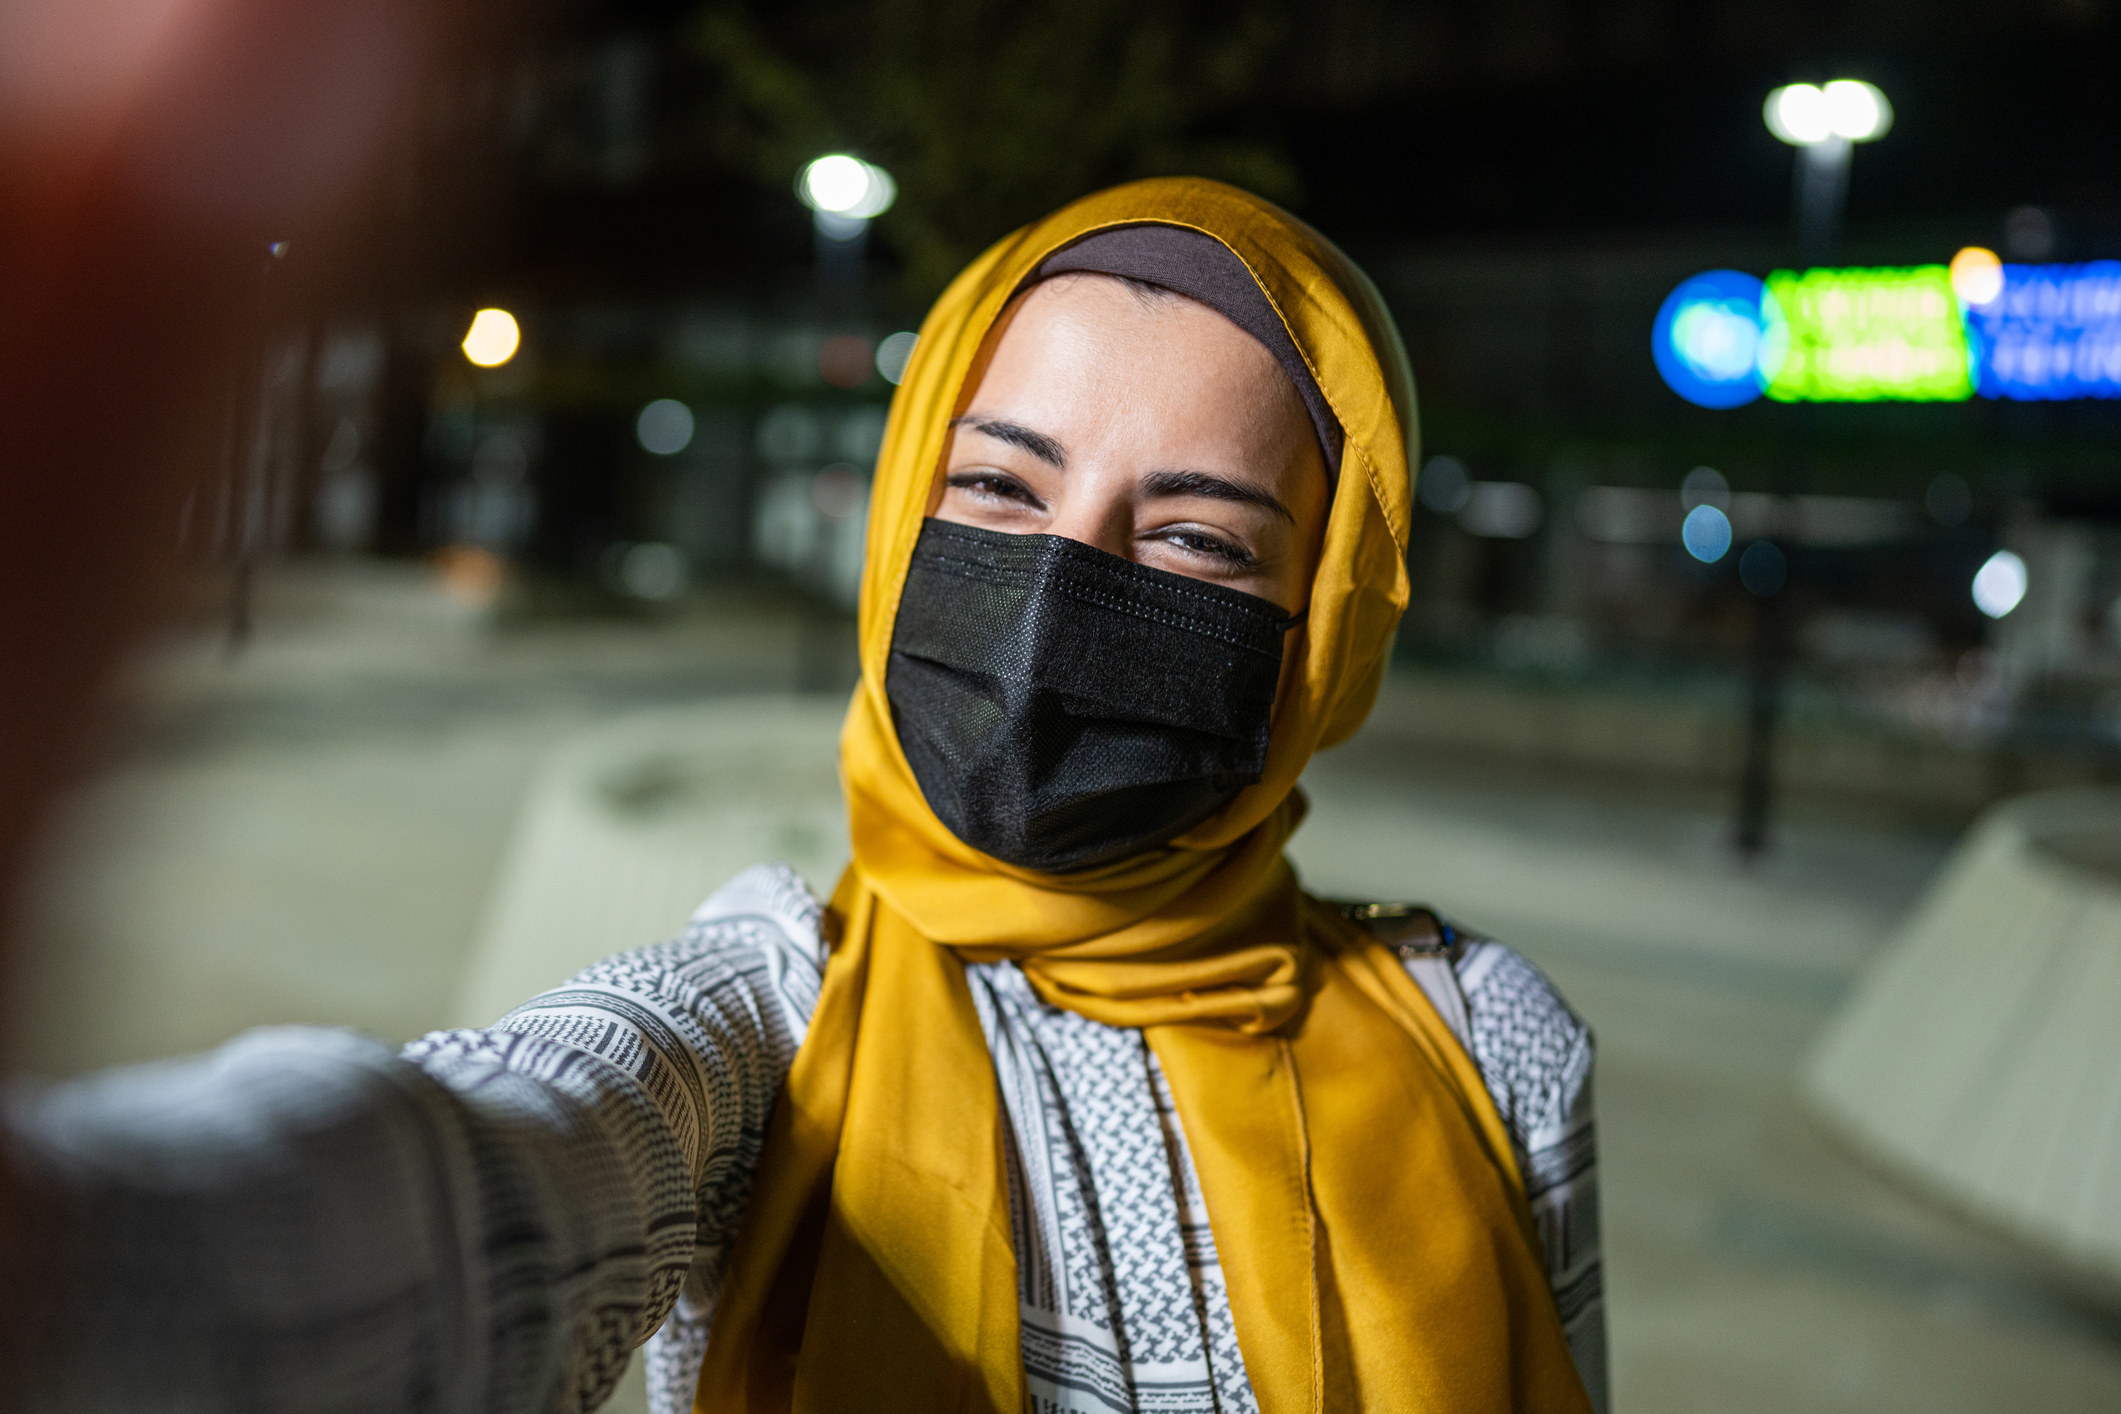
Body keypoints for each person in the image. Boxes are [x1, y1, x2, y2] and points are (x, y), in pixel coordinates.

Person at [8, 178, 1602, 1413]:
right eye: (996, 488)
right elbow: (472, 1185)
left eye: (1192, 537)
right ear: (905, 506)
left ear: (1324, 629)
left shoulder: (1485, 1040)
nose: (1056, 597)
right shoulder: (775, 1010)